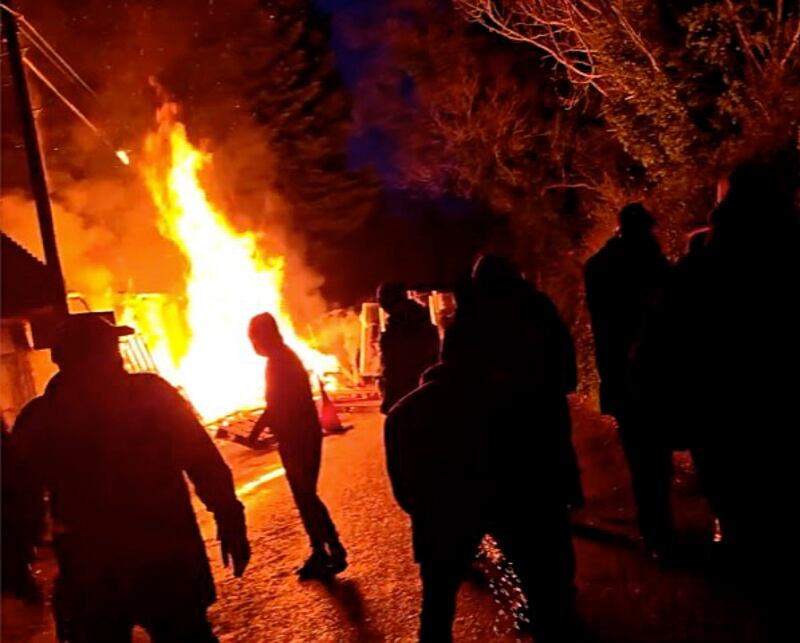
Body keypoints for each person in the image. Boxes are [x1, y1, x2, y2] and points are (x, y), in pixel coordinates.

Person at [631, 160, 799, 634]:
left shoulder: (700, 267)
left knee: (751, 539)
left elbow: (656, 351)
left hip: (724, 427)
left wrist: (659, 415)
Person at [9, 314, 250, 643]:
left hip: (93, 571)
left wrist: (21, 562)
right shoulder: (151, 395)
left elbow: (17, 493)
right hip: (164, 560)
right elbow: (202, 459)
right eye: (109, 347)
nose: (116, 353)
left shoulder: (40, 418)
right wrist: (228, 513)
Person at [391, 256, 581, 642]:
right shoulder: (538, 312)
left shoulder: (470, 322)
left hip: (503, 443)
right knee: (545, 537)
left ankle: (548, 608)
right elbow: (567, 373)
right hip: (532, 439)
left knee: (445, 586)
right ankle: (554, 610)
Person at [584, 203, 672, 554]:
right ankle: (659, 529)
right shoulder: (654, 264)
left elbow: (602, 324)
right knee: (655, 455)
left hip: (623, 376)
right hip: (658, 374)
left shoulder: (598, 267)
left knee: (642, 457)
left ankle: (655, 529)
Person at [247, 312, 347, 579]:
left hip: (298, 438)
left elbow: (275, 405)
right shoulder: (283, 358)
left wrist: (254, 434)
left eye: (253, 338)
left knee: (305, 496)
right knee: (306, 496)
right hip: (300, 435)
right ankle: (324, 549)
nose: (253, 345)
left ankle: (331, 549)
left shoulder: (279, 362)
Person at [377, 282, 440, 414]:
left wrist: (389, 399)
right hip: (426, 392)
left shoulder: (398, 329)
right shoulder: (422, 320)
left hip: (408, 395)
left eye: (381, 299)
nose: (381, 304)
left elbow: (394, 369)